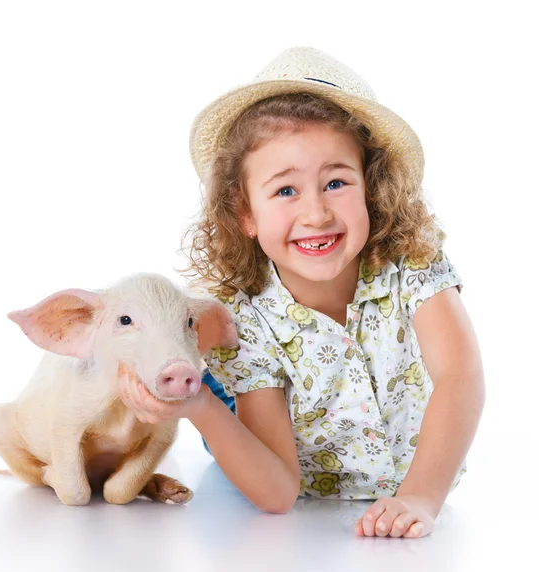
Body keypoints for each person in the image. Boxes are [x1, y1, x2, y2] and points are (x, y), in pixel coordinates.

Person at [117, 47, 485, 538]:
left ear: (372, 190)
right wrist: (200, 409)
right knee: (221, 399)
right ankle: (208, 391)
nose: (315, 213)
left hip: (390, 454)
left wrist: (420, 495)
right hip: (274, 425)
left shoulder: (412, 264)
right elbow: (277, 492)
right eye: (285, 191)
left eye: (336, 182)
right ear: (245, 213)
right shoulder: (245, 316)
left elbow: (460, 378)